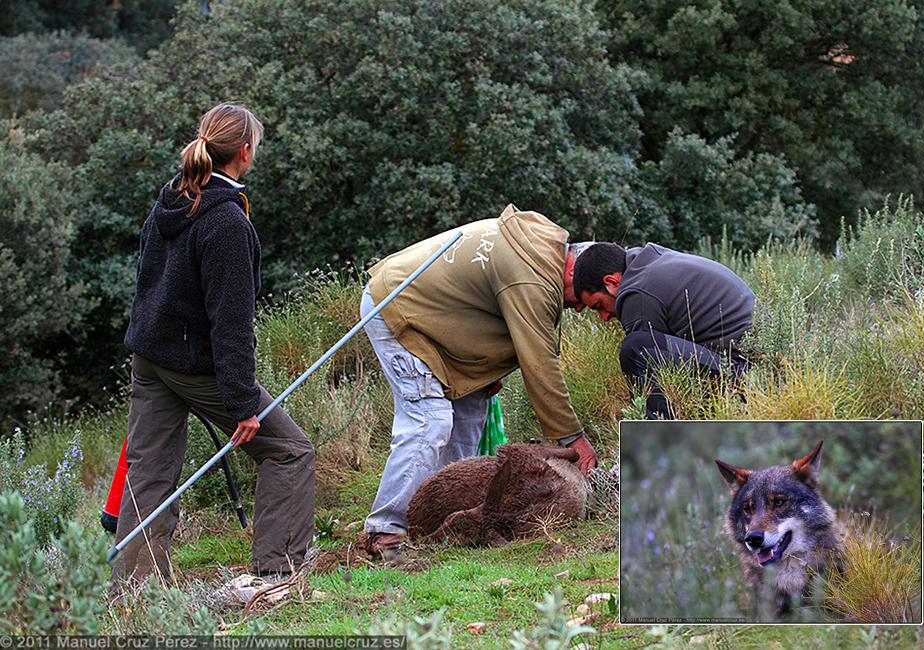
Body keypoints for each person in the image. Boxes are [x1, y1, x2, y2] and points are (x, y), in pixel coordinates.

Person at [114, 103, 315, 585]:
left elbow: (147, 284)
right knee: (289, 451)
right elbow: (231, 322)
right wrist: (243, 402)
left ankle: (134, 592)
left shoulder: (171, 199)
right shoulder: (226, 223)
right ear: (243, 153)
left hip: (150, 358)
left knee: (149, 472)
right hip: (193, 365)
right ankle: (276, 575)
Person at [361, 204, 597, 559]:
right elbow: (540, 364)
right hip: (399, 308)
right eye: (583, 301)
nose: (579, 309)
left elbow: (492, 312)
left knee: (472, 413)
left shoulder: (543, 249)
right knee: (430, 421)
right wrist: (572, 438)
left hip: (441, 324)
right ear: (575, 276)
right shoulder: (532, 277)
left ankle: (440, 517)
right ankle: (387, 530)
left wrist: (485, 371)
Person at [573, 242, 754, 419]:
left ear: (612, 282)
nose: (604, 317)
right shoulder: (648, 260)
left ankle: (655, 435)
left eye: (599, 306)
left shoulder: (636, 293)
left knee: (637, 349)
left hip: (746, 373)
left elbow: (654, 372)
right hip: (762, 361)